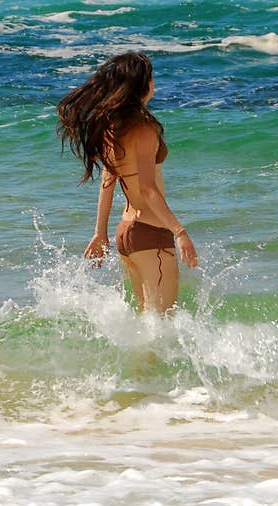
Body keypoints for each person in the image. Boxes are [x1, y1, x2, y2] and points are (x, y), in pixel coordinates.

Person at [56, 51, 197, 314]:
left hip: (127, 233)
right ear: (142, 85)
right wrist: (180, 232)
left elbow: (107, 183)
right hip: (150, 233)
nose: (155, 81)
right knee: (161, 322)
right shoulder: (144, 129)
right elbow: (147, 188)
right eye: (151, 76)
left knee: (147, 320)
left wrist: (100, 233)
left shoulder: (113, 129)